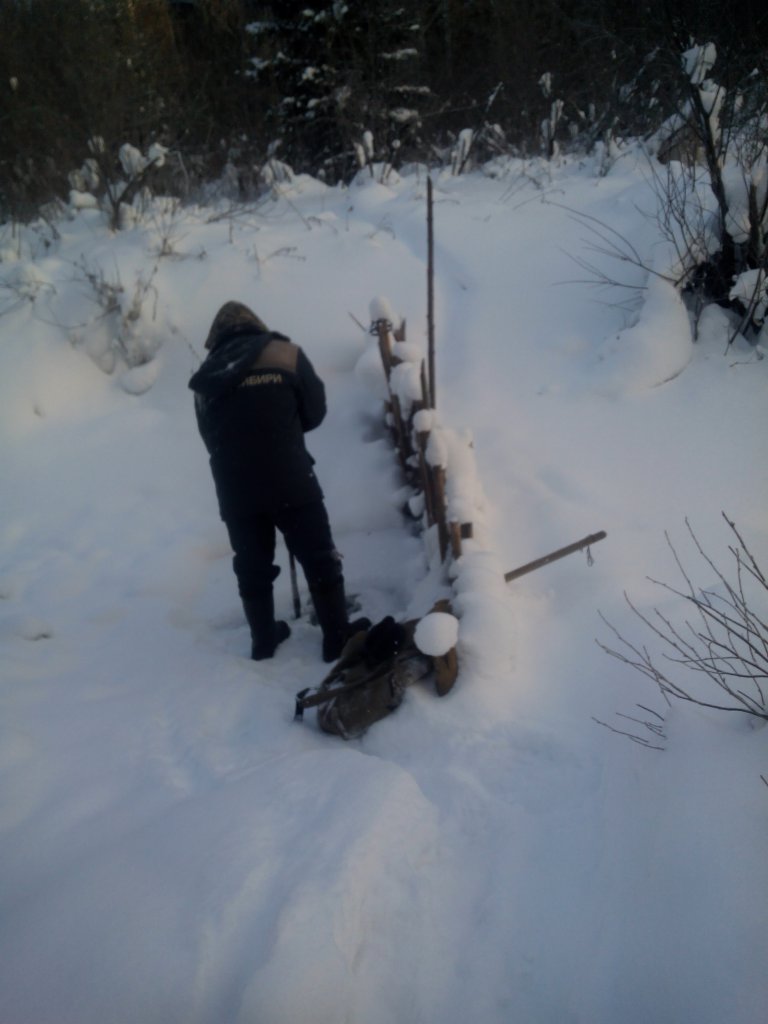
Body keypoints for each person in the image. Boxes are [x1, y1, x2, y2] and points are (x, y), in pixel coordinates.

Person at [189, 301, 366, 662]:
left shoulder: (206, 375)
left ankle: (263, 640)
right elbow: (314, 411)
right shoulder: (285, 354)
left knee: (252, 566)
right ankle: (336, 637)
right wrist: (283, 428)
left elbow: (209, 437)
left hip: (235, 488)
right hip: (290, 477)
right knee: (318, 556)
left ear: (215, 337)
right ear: (255, 325)